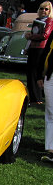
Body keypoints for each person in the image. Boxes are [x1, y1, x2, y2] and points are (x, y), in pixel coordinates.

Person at [25, 1, 53, 105]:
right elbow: (34, 33)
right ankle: (32, 97)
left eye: (46, 9)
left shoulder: (50, 21)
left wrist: (31, 36)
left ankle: (37, 98)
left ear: (50, 11)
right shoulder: (37, 20)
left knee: (36, 72)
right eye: (42, 8)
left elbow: (45, 35)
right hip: (33, 47)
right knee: (30, 72)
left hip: (42, 48)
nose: (43, 11)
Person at [37, 28, 53, 162]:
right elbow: (47, 51)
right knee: (50, 112)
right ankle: (50, 149)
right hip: (50, 75)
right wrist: (39, 75)